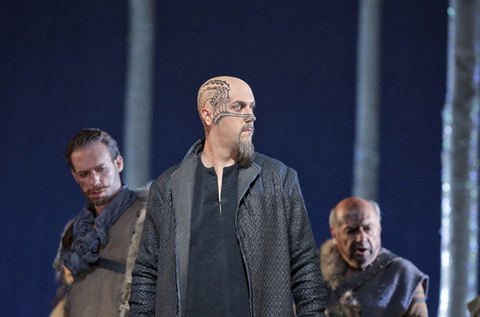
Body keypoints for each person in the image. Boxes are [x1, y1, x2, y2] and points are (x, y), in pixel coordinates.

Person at [129, 76, 327, 316]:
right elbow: (147, 273)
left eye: (252, 107)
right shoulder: (168, 186)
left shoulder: (279, 178)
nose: (251, 116)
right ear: (208, 115)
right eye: (238, 107)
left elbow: (305, 266)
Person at [52, 128, 149, 317]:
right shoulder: (75, 232)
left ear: (118, 163)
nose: (95, 181)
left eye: (101, 169)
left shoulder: (149, 218)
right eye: (84, 174)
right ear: (74, 176)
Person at [319, 197, 429, 316]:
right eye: (351, 231)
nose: (361, 238)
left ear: (379, 229)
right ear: (335, 233)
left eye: (368, 228)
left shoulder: (404, 276)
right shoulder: (317, 272)